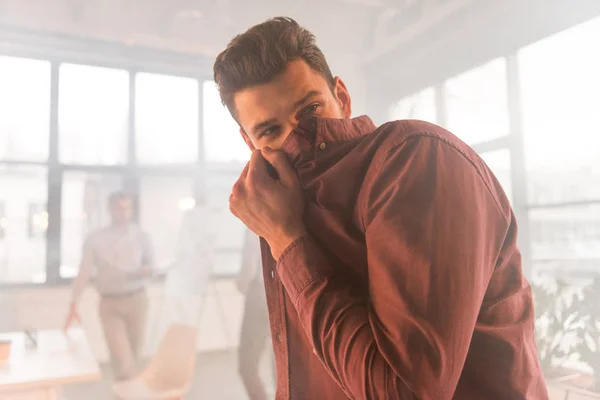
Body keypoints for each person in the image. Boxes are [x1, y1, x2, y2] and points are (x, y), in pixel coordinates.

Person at [214, 17, 549, 399]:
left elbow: (402, 393)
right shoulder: (287, 200)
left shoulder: (417, 161)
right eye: (270, 131)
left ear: (341, 96)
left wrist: (287, 242)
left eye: (309, 112)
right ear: (249, 142)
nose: (297, 141)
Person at [65, 192, 154, 381]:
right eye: (119, 208)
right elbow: (84, 272)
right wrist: (74, 303)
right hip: (110, 304)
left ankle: (122, 391)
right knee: (122, 355)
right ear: (111, 210)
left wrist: (147, 270)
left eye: (127, 208)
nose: (124, 213)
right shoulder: (95, 239)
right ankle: (128, 392)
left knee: (133, 355)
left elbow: (151, 265)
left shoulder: (142, 237)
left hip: (137, 300)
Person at [236, 229, 274, 400]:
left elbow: (246, 273)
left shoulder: (252, 218)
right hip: (281, 296)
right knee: (283, 366)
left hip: (260, 294)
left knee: (247, 366)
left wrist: (244, 281)